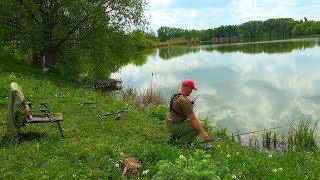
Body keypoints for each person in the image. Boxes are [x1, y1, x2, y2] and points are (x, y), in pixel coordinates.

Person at [166, 79, 210, 147]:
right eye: (191, 89)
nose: (192, 91)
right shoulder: (183, 100)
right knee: (200, 124)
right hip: (175, 127)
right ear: (187, 87)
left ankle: (173, 138)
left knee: (194, 123)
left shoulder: (175, 95)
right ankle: (182, 142)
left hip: (170, 125)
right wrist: (203, 133)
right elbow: (193, 118)